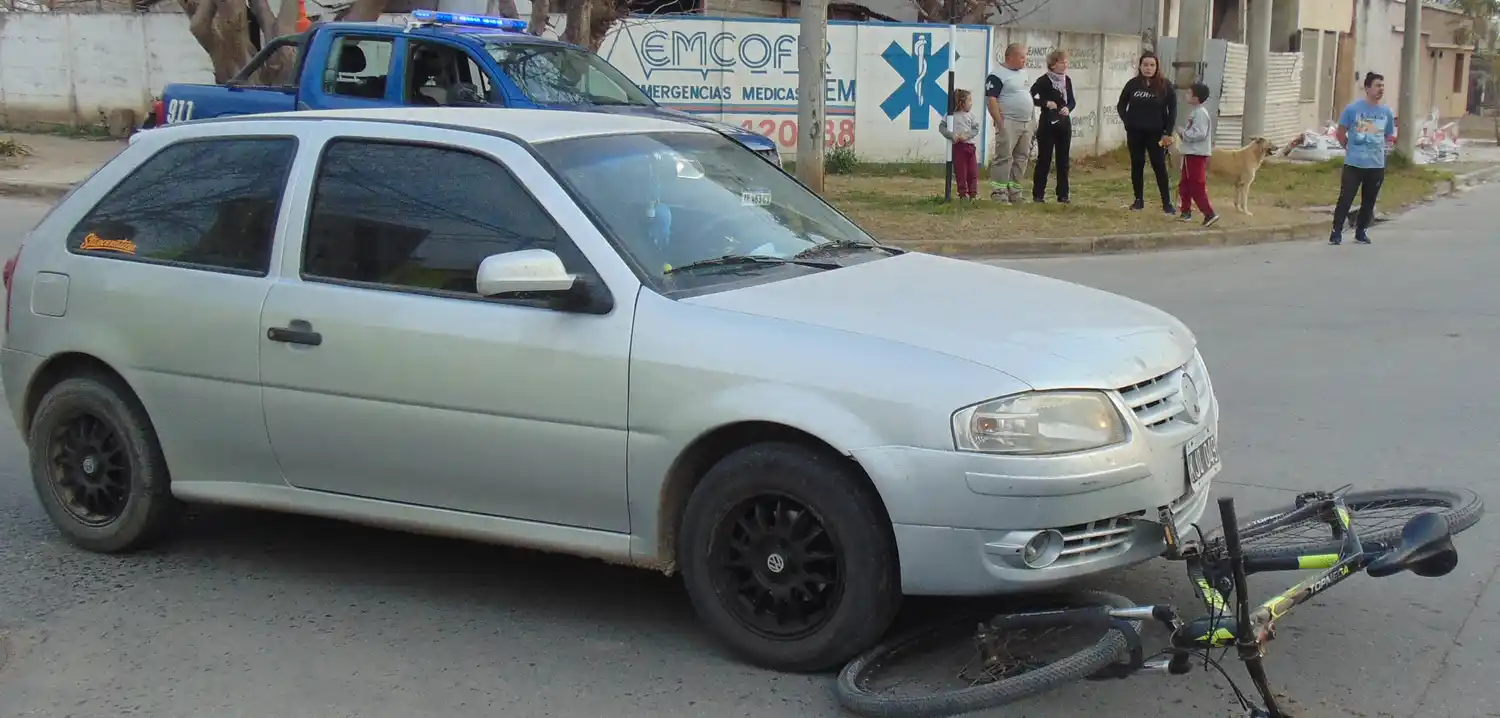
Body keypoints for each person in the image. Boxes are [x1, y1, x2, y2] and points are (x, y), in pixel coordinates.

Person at [1330, 72, 1396, 245]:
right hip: (1354, 163)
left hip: (1375, 164)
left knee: (1369, 200)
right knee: (1346, 198)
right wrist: (1348, 147)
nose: (1380, 89)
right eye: (1377, 85)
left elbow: (1388, 135)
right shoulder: (1353, 109)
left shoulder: (1386, 112)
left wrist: (1383, 150)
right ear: (1367, 88)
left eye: (1382, 86)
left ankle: (1361, 231)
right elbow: (1340, 132)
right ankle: (1336, 232)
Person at [1116, 52, 1177, 214]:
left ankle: (1167, 203)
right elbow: (1121, 105)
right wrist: (1127, 121)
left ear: (1157, 67)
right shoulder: (1133, 84)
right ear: (1140, 66)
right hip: (1135, 132)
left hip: (1157, 133)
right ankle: (1138, 200)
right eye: (1145, 65)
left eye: (1152, 65)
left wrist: (1168, 132)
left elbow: (1172, 110)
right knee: (1137, 164)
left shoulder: (1165, 85)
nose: (1148, 68)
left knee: (1159, 166)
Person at [984, 43, 1035, 203]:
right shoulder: (997, 75)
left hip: (1026, 122)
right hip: (1009, 122)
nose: (1024, 60)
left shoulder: (1024, 73)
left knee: (1022, 157)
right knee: (1004, 157)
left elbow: (1027, 96)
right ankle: (999, 192)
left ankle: (1015, 191)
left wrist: (1033, 120)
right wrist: (1000, 123)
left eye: (1025, 56)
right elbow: (991, 100)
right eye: (1021, 57)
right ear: (1009, 57)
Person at [1030, 49, 1076, 204]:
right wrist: (1045, 103)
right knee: (1045, 159)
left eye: (1066, 62)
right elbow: (1032, 96)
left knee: (1063, 161)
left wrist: (1068, 108)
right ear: (1053, 64)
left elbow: (1072, 101)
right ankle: (1038, 194)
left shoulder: (1067, 80)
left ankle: (1063, 194)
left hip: (1064, 123)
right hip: (1048, 124)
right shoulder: (1043, 80)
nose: (1065, 65)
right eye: (1062, 62)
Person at [1176, 82, 1219, 227]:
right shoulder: (1195, 111)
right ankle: (1185, 211)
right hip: (1190, 153)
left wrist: (1183, 133)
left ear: (1196, 97)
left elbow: (1200, 133)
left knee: (1196, 185)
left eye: (1189, 93)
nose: (1186, 95)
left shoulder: (1200, 113)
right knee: (1185, 184)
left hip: (1196, 154)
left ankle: (1209, 213)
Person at [939, 88, 982, 200]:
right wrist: (952, 135)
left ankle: (973, 193)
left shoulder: (971, 116)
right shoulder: (950, 115)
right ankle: (963, 194)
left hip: (970, 147)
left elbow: (975, 129)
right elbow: (942, 127)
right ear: (962, 103)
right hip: (958, 148)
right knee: (961, 172)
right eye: (969, 101)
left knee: (972, 172)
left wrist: (967, 136)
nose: (971, 103)